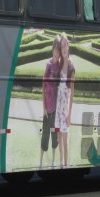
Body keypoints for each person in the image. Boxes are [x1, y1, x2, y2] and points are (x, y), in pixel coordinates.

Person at [39, 35, 61, 169]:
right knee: (45, 136)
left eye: (58, 51)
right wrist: (44, 108)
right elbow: (43, 86)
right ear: (52, 50)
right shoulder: (48, 65)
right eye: (55, 50)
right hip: (47, 108)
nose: (56, 53)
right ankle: (40, 162)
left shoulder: (60, 66)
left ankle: (53, 161)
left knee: (54, 136)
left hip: (56, 109)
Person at [55, 33, 75, 168]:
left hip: (65, 105)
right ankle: (61, 163)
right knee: (59, 137)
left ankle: (66, 165)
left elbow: (72, 92)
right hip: (58, 104)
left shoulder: (71, 65)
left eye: (65, 45)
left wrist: (70, 113)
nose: (63, 48)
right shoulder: (59, 63)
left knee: (65, 139)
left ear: (68, 46)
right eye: (61, 45)